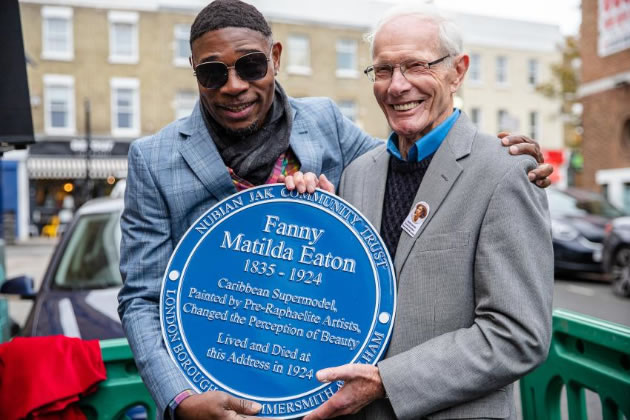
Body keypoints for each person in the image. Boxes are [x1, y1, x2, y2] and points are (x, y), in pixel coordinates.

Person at [117, 1, 552, 419]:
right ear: (194, 73)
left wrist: (508, 156)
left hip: (321, 389)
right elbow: (141, 298)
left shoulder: (325, 123)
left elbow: (424, 160)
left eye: (251, 66)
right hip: (219, 387)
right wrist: (180, 399)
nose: (233, 85)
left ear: (276, 58)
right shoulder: (153, 159)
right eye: (212, 73)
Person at [288, 6, 554, 420]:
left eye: (416, 65)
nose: (397, 85)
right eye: (382, 70)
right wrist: (318, 223)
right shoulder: (358, 174)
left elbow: (518, 336)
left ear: (458, 71)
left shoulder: (506, 171)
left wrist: (386, 381)